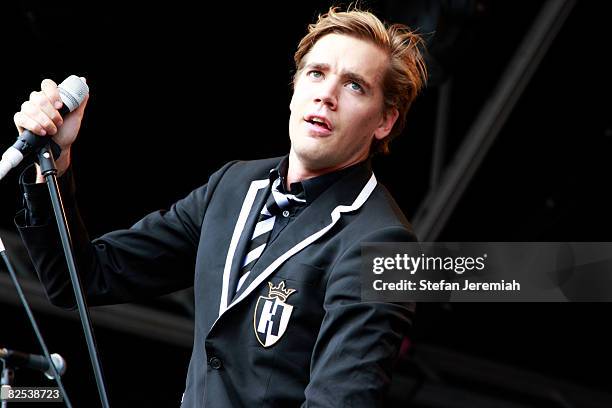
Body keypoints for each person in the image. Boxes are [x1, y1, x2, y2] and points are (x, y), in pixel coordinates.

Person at [14, 6, 427, 407]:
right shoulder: (234, 185)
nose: (327, 95)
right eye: (316, 73)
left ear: (384, 121)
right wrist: (52, 160)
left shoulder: (384, 244)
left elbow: (340, 399)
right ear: (295, 87)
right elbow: (81, 278)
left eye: (355, 85)